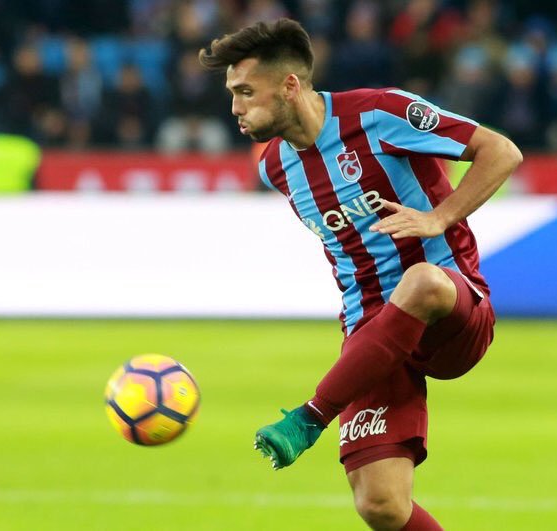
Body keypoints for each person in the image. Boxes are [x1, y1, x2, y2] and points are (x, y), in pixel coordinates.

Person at [199, 19, 521, 531]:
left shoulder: (380, 113)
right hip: (374, 332)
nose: (236, 107)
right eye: (232, 94)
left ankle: (310, 417)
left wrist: (439, 218)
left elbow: (501, 151)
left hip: (452, 310)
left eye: (245, 92)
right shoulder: (275, 167)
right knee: (381, 504)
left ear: (289, 86)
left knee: (421, 281)